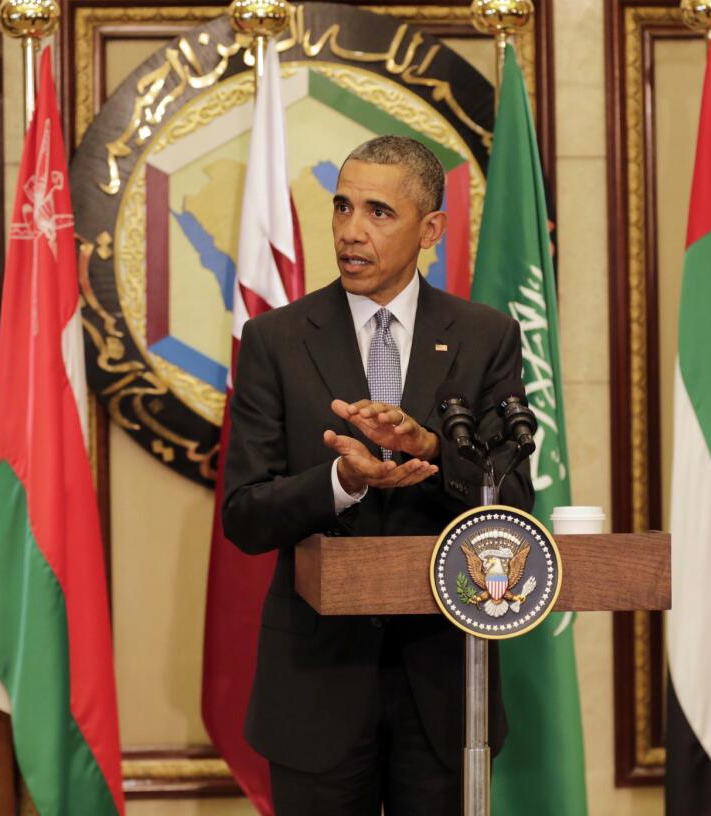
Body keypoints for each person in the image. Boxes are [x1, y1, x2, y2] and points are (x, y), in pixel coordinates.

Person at [221, 135, 534, 816]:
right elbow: (244, 514)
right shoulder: (276, 340)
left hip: (446, 687)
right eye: (341, 207)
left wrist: (430, 449)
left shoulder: (485, 338)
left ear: (431, 230)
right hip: (315, 689)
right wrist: (343, 481)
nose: (351, 231)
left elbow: (512, 506)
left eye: (378, 213)